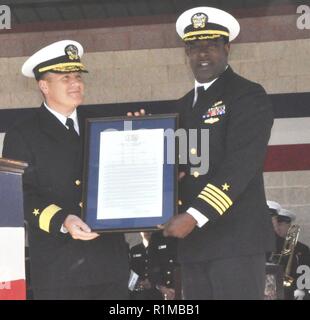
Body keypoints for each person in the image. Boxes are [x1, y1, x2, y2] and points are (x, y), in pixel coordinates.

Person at [160, 7, 275, 299]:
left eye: (210, 45)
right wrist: (139, 135)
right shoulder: (183, 106)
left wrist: (195, 215)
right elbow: (181, 167)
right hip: (195, 243)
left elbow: (241, 165)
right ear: (186, 52)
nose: (202, 54)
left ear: (227, 48)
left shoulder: (248, 95)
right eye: (194, 47)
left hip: (235, 241)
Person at [2, 40, 129, 300]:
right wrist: (63, 220)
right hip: (59, 270)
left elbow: (123, 177)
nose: (76, 83)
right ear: (44, 86)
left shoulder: (105, 124)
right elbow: (19, 195)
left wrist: (139, 138)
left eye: (78, 76)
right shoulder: (22, 134)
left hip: (109, 264)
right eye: (65, 78)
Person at [267, 204, 310, 300]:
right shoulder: (269, 245)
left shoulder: (302, 249)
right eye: (276, 224)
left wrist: (302, 289)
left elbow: (305, 271)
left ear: (289, 226)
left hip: (292, 291)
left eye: (281, 224)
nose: (278, 227)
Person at [129, 231, 178, 300]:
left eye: (149, 230)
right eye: (144, 231)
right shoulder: (135, 250)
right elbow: (132, 269)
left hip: (158, 288)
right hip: (140, 289)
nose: (147, 232)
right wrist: (138, 283)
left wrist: (155, 283)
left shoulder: (159, 246)